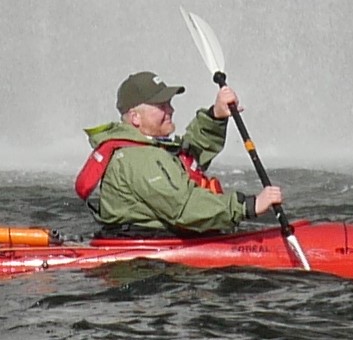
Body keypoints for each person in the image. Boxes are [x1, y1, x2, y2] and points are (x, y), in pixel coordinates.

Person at [77, 69, 285, 234]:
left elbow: (188, 159)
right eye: (161, 106)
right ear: (135, 117)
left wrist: (216, 116)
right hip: (148, 260)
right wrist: (249, 206)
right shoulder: (137, 158)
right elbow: (184, 208)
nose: (171, 110)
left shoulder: (148, 147)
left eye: (169, 103)